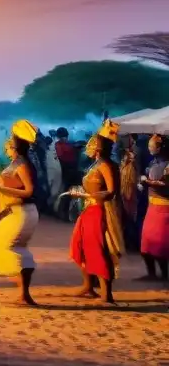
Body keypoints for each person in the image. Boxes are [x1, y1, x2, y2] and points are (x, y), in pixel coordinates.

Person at [68, 120, 123, 303]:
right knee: (81, 246)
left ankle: (106, 294)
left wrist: (87, 195)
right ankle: (88, 286)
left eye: (92, 144)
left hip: (99, 209)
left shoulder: (106, 165)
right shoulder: (97, 164)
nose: (89, 147)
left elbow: (111, 191)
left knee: (98, 250)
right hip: (89, 208)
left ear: (98, 147)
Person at [0, 120, 40, 305]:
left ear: (16, 145)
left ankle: (22, 291)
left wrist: (4, 189)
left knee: (5, 246)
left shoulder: (22, 164)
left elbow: (29, 190)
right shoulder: (19, 162)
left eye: (10, 145)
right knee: (13, 248)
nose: (7, 149)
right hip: (20, 211)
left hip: (23, 210)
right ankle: (23, 292)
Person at [138, 134, 169, 281]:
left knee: (161, 245)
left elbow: (166, 185)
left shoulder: (167, 164)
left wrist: (148, 182)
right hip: (152, 206)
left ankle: (164, 275)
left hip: (164, 208)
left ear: (160, 148)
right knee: (146, 242)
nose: (149, 148)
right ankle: (151, 273)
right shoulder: (154, 162)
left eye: (152, 146)